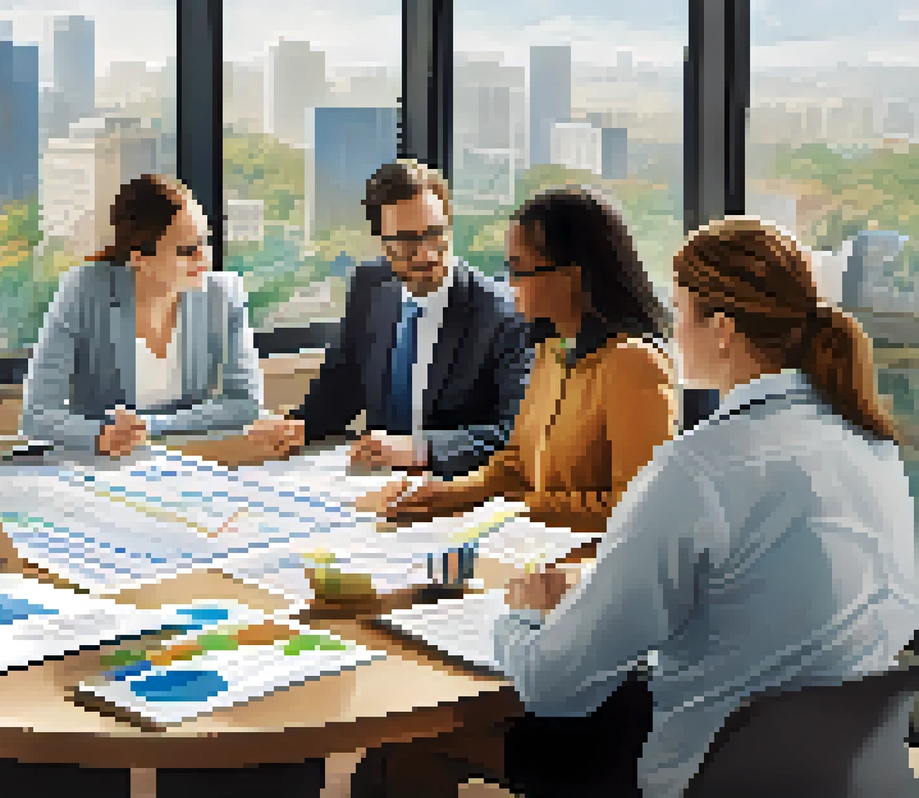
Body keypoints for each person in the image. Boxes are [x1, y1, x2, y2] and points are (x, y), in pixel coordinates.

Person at [482, 216, 919, 797]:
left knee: (524, 739)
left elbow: (554, 684)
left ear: (721, 329)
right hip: (850, 769)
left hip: (716, 777)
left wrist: (522, 614)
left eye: (679, 307)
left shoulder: (698, 468)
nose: (671, 324)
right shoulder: (874, 443)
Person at [361, 185, 678, 535]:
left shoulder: (634, 365)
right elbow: (517, 464)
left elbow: (636, 507)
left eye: (519, 269)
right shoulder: (551, 349)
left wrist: (506, 511)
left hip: (593, 570)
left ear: (572, 276)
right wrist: (447, 494)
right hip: (537, 552)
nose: (509, 283)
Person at [244, 159, 532, 477]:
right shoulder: (370, 285)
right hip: (373, 479)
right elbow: (343, 384)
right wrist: (299, 426)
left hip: (455, 487)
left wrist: (420, 448)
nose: (426, 254)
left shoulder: (505, 315)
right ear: (382, 243)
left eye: (436, 234)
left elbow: (513, 433)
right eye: (407, 241)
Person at [20, 173, 263, 455]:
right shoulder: (85, 289)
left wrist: (151, 425)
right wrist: (100, 435)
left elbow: (246, 404)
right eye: (187, 250)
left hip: (190, 459)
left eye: (205, 241)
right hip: (103, 464)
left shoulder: (224, 294)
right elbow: (37, 415)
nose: (204, 258)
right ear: (139, 259)